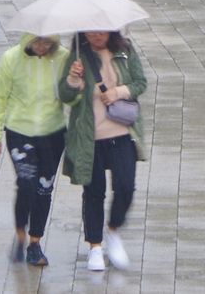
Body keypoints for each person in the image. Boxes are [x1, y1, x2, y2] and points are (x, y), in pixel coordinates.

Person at [58, 30, 147, 273]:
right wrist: (74, 80)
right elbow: (64, 95)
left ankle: (114, 230)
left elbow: (141, 83)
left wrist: (117, 92)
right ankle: (95, 246)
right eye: (92, 31)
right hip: (90, 137)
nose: (97, 35)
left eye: (101, 31)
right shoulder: (77, 56)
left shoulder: (124, 51)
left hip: (122, 134)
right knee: (94, 192)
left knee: (126, 186)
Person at [0, 34, 71, 268]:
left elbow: (72, 99)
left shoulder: (64, 58)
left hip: (52, 132)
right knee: (26, 183)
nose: (42, 48)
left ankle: (35, 242)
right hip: (19, 130)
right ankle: (20, 232)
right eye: (37, 43)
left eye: (47, 43)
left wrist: (75, 83)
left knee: (44, 188)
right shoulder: (11, 59)